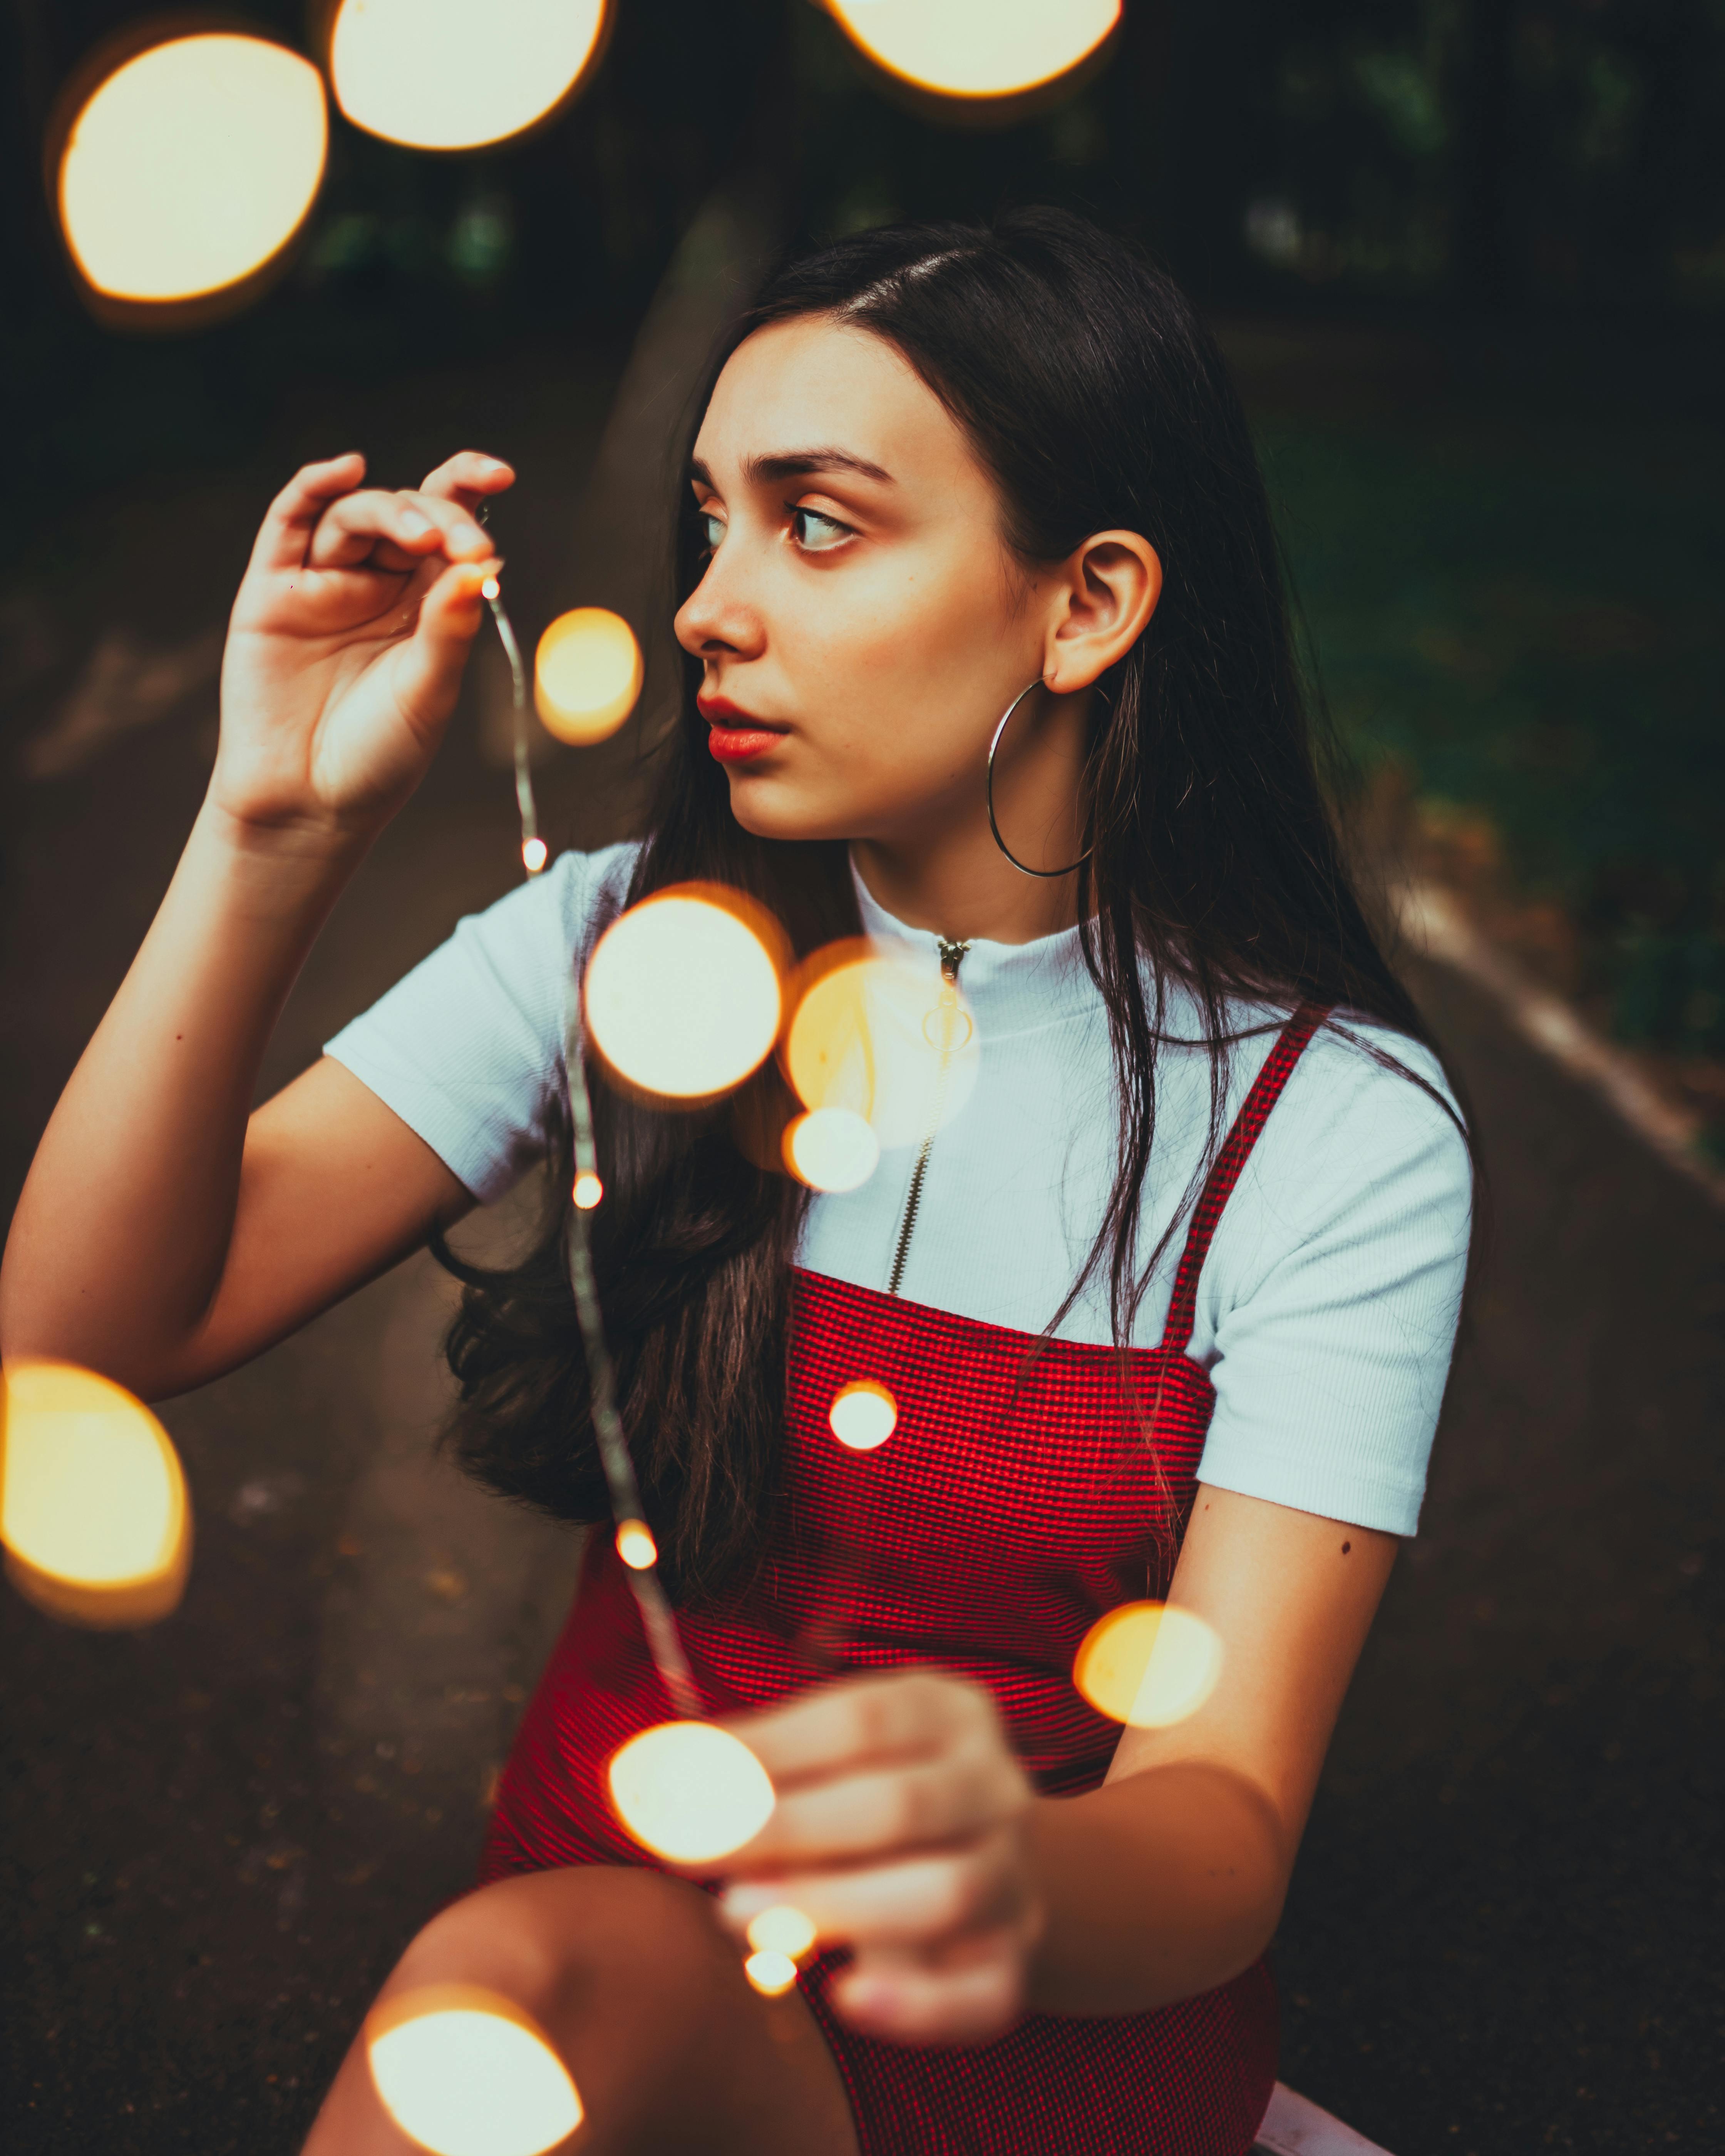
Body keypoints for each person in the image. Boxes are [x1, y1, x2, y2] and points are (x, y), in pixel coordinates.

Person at [0, 211, 1474, 2155]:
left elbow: (1222, 1827)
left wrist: (1002, 1868)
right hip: (581, 1943)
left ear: (1089, 601)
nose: (710, 601)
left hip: (1021, 2043)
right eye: (710, 519)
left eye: (819, 521)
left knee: (516, 1998)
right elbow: (85, 1337)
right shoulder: (633, 946)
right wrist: (268, 827)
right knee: (517, 1995)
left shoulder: (1336, 1125)